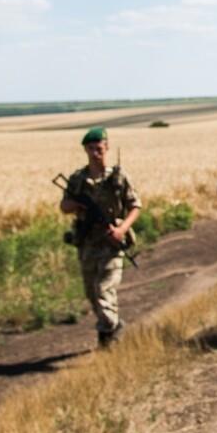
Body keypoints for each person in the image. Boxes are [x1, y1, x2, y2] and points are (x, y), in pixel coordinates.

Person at [59, 127, 142, 348]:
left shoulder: (118, 177)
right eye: (91, 149)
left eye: (99, 148)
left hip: (112, 242)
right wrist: (76, 204)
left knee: (104, 289)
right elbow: (64, 205)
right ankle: (112, 326)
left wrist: (122, 229)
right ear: (85, 150)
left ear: (106, 148)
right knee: (91, 292)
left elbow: (135, 206)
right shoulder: (78, 179)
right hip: (87, 243)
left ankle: (108, 331)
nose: (96, 152)